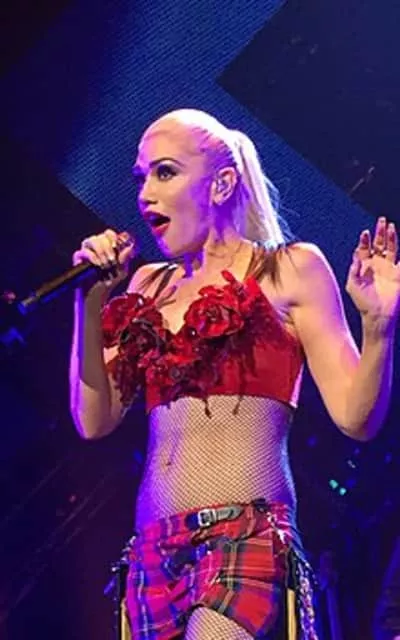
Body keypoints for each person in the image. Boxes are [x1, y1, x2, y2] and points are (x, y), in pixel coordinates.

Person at [69, 108, 400, 640]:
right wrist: (89, 300)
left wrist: (379, 327)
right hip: (152, 552)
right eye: (141, 178)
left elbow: (355, 418)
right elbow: (93, 419)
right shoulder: (148, 287)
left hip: (244, 538)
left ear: (222, 184)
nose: (145, 194)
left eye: (165, 172)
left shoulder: (289, 269)